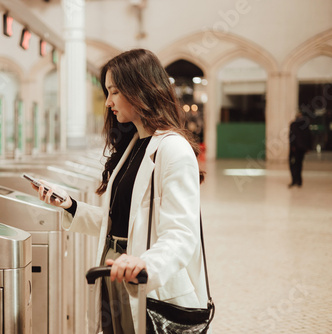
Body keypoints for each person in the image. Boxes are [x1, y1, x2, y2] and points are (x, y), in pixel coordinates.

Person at [33, 49, 209, 334]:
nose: (108, 102)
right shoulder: (134, 145)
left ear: (139, 89)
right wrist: (71, 206)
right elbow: (122, 223)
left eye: (114, 92)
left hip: (149, 284)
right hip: (117, 276)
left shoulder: (171, 148)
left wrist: (145, 264)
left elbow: (182, 233)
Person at [288, 112, 312, 188]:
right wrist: (308, 147)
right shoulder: (305, 125)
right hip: (302, 148)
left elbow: (292, 136)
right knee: (299, 164)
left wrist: (292, 146)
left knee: (293, 164)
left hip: (295, 148)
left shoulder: (294, 124)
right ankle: (299, 181)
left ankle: (295, 180)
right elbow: (309, 136)